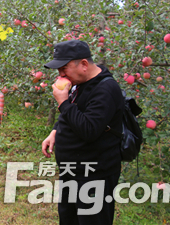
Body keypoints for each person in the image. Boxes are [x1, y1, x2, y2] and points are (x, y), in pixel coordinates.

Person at [41, 40, 124, 225]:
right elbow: (75, 112)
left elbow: (89, 129)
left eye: (64, 69)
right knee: (69, 220)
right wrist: (55, 130)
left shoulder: (106, 90)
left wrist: (63, 103)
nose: (60, 75)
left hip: (95, 175)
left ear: (84, 64)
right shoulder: (80, 83)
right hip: (73, 171)